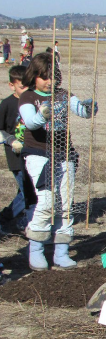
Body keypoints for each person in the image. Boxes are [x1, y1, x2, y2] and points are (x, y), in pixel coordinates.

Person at [18, 53, 98, 271]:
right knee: (46, 200)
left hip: (64, 153)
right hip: (39, 153)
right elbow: (31, 123)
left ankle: (61, 252)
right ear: (34, 76)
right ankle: (36, 249)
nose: (49, 81)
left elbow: (80, 110)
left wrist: (88, 107)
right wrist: (43, 114)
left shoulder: (63, 95)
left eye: (53, 76)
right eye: (44, 77)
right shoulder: (28, 98)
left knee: (65, 202)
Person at [0, 66, 28, 231]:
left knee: (26, 190)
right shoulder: (6, 104)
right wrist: (11, 141)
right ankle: (4, 219)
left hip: (31, 153)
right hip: (15, 155)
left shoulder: (32, 101)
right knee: (28, 193)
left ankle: (23, 220)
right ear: (12, 85)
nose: (26, 90)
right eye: (22, 87)